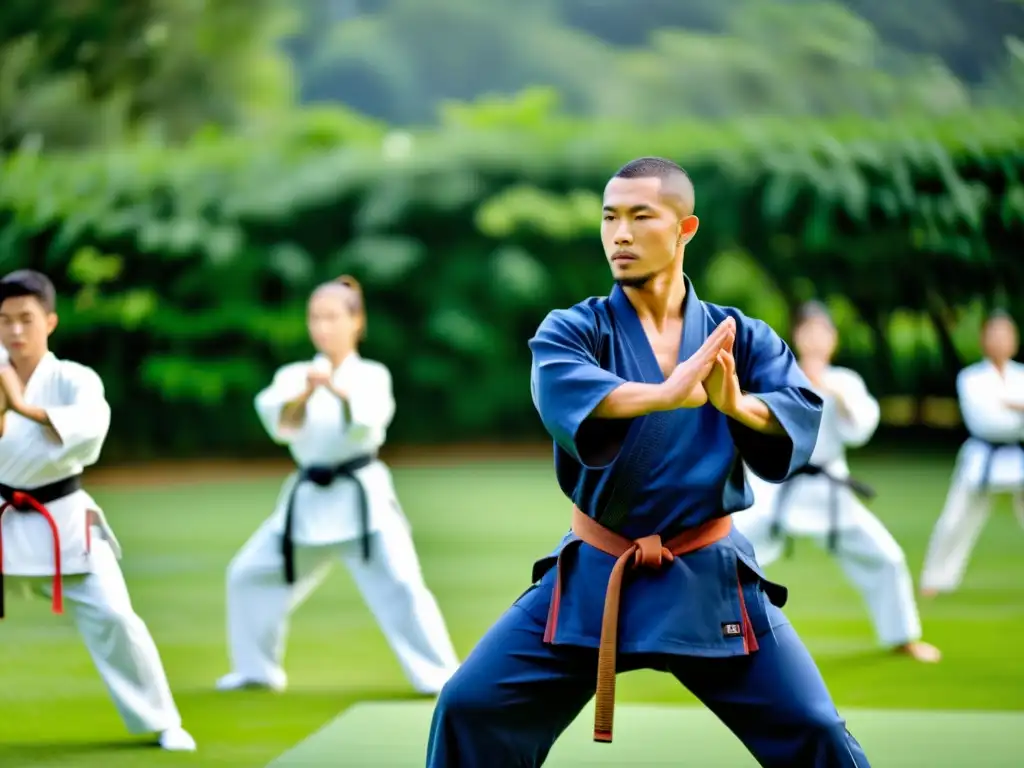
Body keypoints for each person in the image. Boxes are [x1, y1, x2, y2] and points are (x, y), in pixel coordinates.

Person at [426, 158, 870, 767]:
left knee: (816, 730)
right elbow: (565, 393)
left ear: (685, 229)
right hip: (599, 575)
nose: (621, 234)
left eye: (641, 216)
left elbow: (797, 411)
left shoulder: (738, 335)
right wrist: (666, 394)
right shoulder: (574, 330)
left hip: (708, 578)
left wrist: (738, 405)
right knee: (469, 706)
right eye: (610, 218)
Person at [216, 275, 460, 695]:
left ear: (356, 321)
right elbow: (283, 426)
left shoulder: (372, 375)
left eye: (332, 317)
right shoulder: (295, 375)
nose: (322, 327)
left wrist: (339, 391)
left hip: (363, 499)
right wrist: (309, 393)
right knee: (247, 574)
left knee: (403, 584)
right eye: (315, 317)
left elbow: (368, 422)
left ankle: (442, 677)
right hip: (307, 500)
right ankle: (256, 670)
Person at [0, 270, 195, 752]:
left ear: (50, 321)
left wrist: (22, 406)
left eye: (26, 319)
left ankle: (162, 719)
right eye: (4, 321)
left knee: (116, 617)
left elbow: (88, 431)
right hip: (3, 514)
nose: (15, 332)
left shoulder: (74, 379)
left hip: (64, 517)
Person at [732, 301, 940, 663]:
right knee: (729, 554)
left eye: (822, 332)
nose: (814, 339)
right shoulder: (779, 374)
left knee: (886, 557)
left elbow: (861, 429)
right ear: (796, 336)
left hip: (830, 488)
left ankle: (903, 637)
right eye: (807, 331)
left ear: (833, 339)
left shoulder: (845, 381)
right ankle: (712, 635)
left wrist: (831, 390)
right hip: (779, 486)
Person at [920, 310, 1024, 597]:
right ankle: (936, 578)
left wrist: (1009, 405)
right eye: (994, 334)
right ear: (984, 340)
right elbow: (985, 419)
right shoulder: (971, 378)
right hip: (982, 455)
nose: (1000, 341)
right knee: (955, 520)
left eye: (1006, 335)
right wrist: (1017, 410)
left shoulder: (1021, 375)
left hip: (1017, 456)